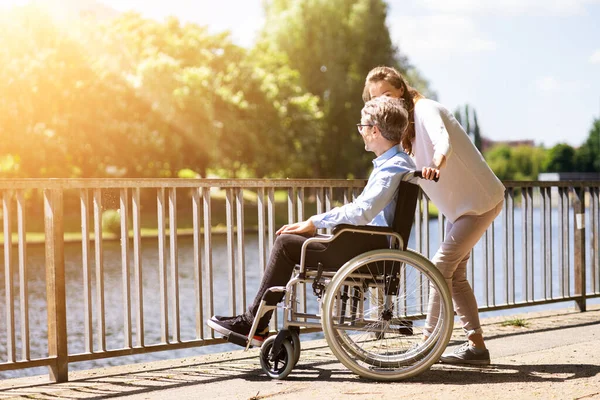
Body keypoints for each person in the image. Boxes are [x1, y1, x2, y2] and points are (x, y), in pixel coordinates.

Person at [207, 96, 418, 347]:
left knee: (286, 244)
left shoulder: (391, 167)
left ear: (374, 129)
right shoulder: (396, 163)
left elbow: (363, 211)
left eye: (362, 126)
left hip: (366, 249)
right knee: (293, 240)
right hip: (367, 245)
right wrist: (315, 223)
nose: (360, 132)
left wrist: (315, 222)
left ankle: (253, 323)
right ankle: (256, 322)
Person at [363, 66, 505, 365]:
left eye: (388, 94)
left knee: (440, 268)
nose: (384, 101)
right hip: (462, 211)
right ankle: (477, 349)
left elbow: (443, 142)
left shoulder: (426, 109)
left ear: (401, 90)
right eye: (376, 99)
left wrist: (437, 165)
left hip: (479, 202)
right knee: (455, 278)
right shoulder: (402, 131)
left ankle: (426, 347)